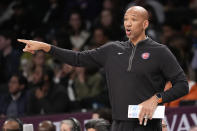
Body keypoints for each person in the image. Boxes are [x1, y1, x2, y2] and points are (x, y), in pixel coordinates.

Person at [18, 6, 189, 131]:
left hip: (147, 125)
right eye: (125, 19)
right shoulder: (112, 50)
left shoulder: (160, 52)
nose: (128, 24)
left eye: (134, 20)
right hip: (119, 124)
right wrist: (46, 47)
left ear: (145, 24)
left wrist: (157, 98)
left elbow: (182, 85)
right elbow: (78, 59)